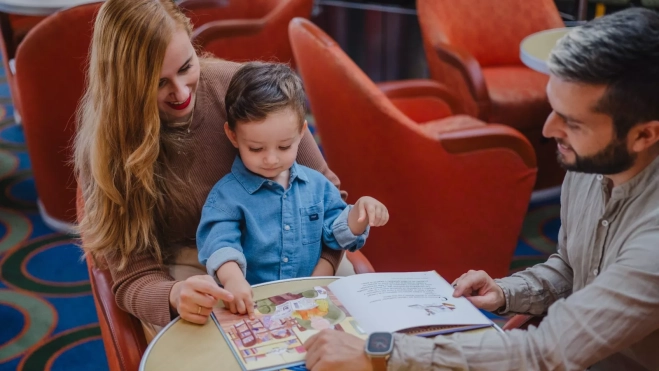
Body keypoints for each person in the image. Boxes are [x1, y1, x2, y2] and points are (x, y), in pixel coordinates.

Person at [303, 8, 659, 371]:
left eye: (573, 122)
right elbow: (572, 268)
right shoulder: (592, 161)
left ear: (644, 135)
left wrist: (379, 353)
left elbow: (544, 353)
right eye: (554, 109)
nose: (549, 131)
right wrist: (508, 292)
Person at [73, 0, 347, 340]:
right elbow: (132, 277)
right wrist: (173, 295)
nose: (182, 92)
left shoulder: (242, 91)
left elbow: (330, 197)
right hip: (194, 269)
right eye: (158, 84)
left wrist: (326, 266)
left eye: (187, 66)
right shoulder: (108, 147)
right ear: (125, 86)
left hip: (299, 244)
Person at [196, 62, 389, 317]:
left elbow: (337, 233)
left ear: (301, 133)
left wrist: (359, 213)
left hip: (312, 304)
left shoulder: (318, 186)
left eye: (284, 147)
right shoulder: (226, 196)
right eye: (256, 148)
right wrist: (233, 280)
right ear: (233, 136)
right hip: (253, 305)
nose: (271, 159)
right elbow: (220, 244)